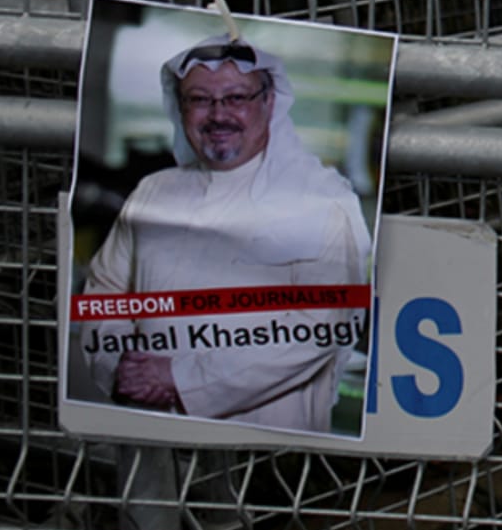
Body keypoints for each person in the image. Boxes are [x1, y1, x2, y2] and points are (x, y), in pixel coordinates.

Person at [77, 38, 372, 433]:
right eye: (200, 100)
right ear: (181, 108)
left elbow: (321, 325)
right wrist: (121, 368)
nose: (219, 115)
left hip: (266, 456)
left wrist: (179, 379)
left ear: (269, 103)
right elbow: (104, 292)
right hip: (150, 436)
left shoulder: (321, 201)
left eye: (236, 98)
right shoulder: (153, 191)